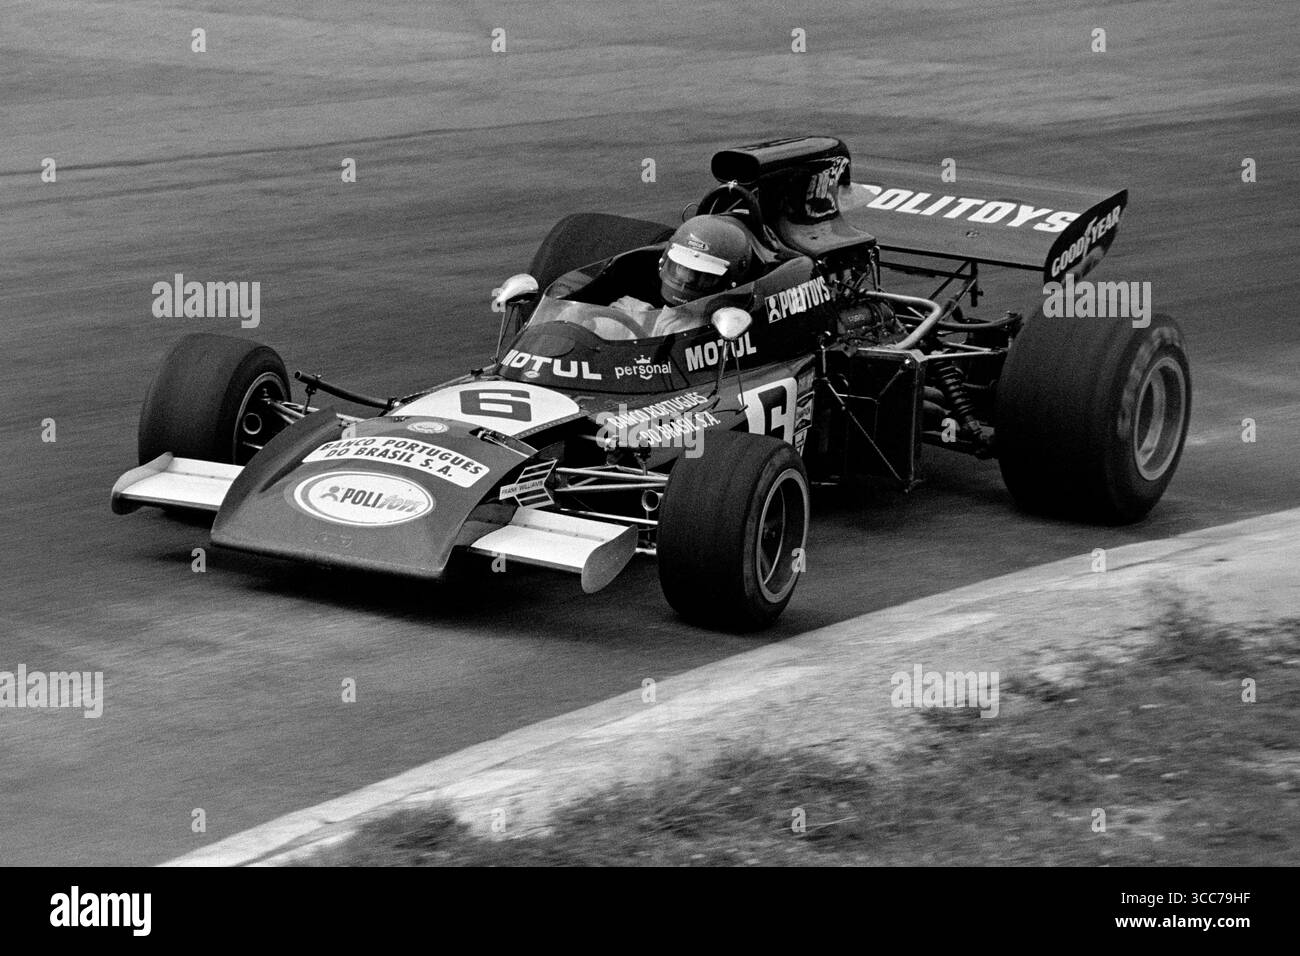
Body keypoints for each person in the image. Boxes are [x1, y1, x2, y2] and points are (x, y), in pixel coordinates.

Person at [610, 215, 756, 336]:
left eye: (703, 276)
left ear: (731, 281)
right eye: (682, 268)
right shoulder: (631, 310)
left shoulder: (728, 325)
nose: (688, 279)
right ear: (665, 260)